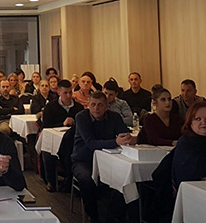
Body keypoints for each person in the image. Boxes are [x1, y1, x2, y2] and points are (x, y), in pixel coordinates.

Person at [71, 91, 136, 222]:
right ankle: (93, 216)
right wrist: (115, 142)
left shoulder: (115, 117)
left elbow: (123, 134)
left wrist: (128, 138)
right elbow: (91, 143)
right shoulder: (81, 117)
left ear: (107, 106)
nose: (96, 108)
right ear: (88, 105)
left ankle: (113, 214)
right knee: (87, 179)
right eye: (93, 104)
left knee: (126, 178)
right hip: (83, 160)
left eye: (100, 105)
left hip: (108, 161)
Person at [41, 79, 84, 192]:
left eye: (70, 92)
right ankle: (51, 181)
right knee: (48, 151)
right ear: (59, 92)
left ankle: (70, 179)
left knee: (73, 151)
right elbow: (46, 125)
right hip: (54, 137)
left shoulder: (78, 108)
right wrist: (62, 123)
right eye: (65, 93)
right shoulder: (50, 107)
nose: (68, 95)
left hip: (72, 138)